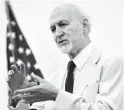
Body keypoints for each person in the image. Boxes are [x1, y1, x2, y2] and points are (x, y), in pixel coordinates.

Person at [7, 4, 123, 110]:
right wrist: (24, 97)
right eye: (53, 29)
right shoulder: (54, 79)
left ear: (85, 26)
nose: (57, 34)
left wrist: (57, 96)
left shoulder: (111, 64)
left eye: (63, 24)